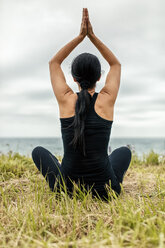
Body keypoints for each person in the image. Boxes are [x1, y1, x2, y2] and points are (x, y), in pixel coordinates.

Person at [32, 8, 132, 201]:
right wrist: (92, 36)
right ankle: (112, 183)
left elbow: (54, 63)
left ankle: (71, 178)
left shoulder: (66, 98)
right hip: (105, 191)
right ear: (99, 77)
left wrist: (80, 37)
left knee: (39, 152)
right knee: (124, 152)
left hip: (67, 189)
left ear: (74, 78)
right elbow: (116, 65)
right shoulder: (107, 99)